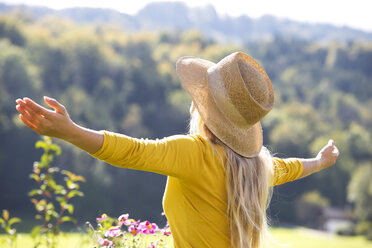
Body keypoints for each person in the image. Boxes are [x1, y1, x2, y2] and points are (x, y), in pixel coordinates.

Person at [15, 52, 339, 248]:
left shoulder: (195, 154)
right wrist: (320, 162)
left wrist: (70, 131)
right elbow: (289, 168)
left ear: (203, 109)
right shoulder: (256, 167)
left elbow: (132, 151)